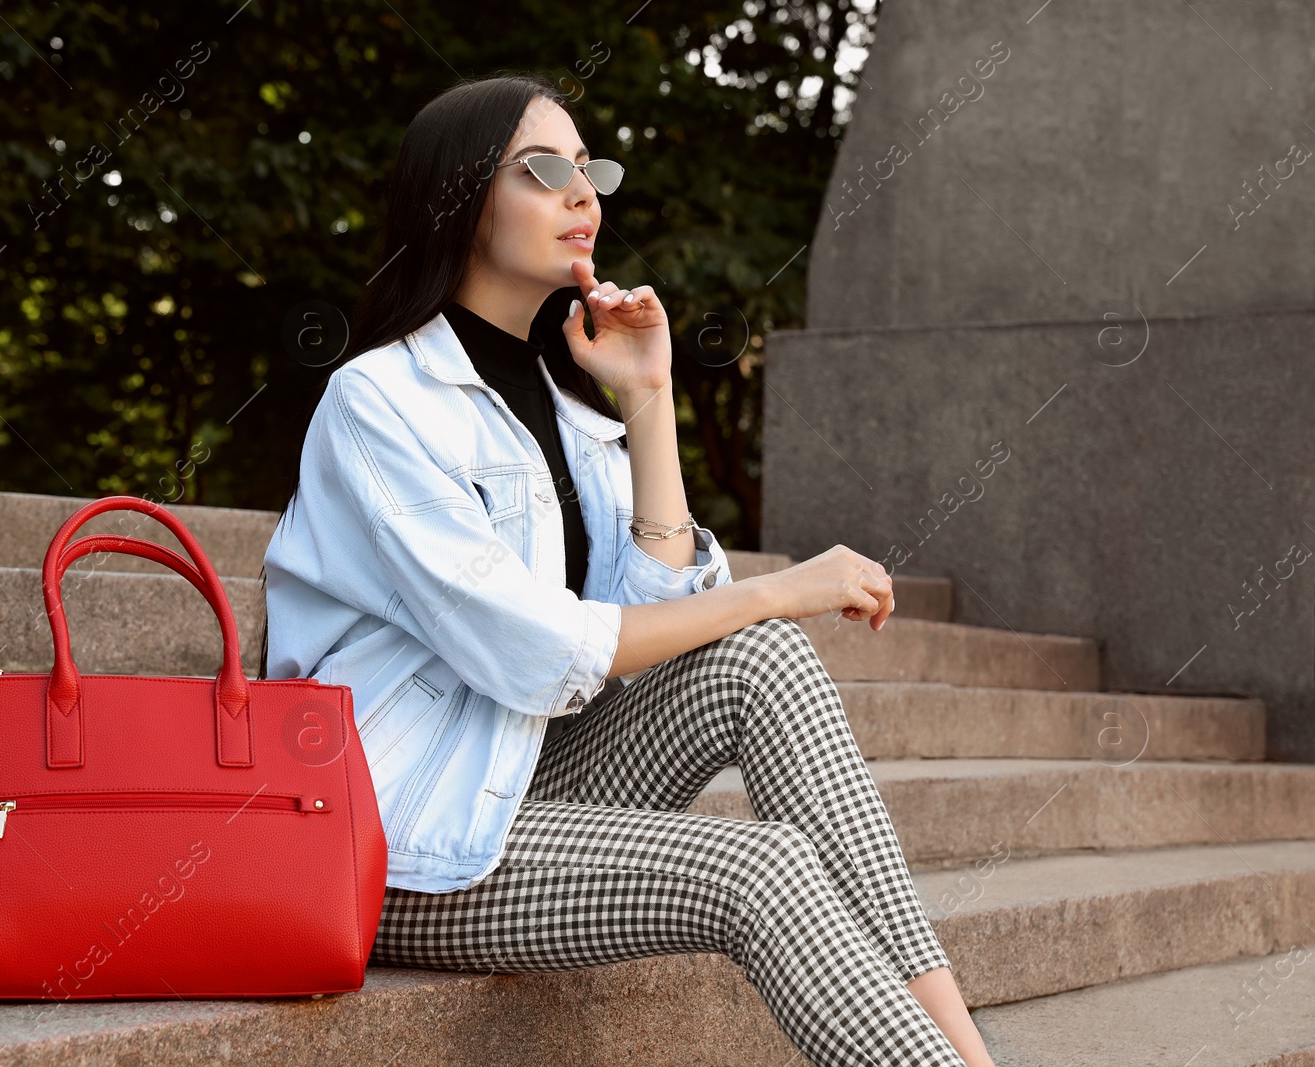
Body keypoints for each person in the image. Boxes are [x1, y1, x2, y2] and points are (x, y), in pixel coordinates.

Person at [262, 72, 996, 1067]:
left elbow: (651, 620)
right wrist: (777, 584)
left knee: (761, 657)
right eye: (546, 169)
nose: (583, 195)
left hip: (531, 778)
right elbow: (536, 651)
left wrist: (648, 399)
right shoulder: (380, 402)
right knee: (763, 863)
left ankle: (966, 1052)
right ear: (458, 195)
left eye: (589, 170)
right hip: (400, 839)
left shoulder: (572, 413)